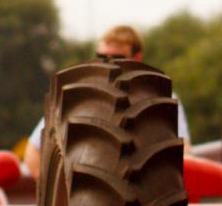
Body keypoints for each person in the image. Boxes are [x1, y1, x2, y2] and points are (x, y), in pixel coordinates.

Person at [23, 24, 189, 178]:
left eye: (117, 58)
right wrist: (60, 200)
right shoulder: (78, 97)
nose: (107, 64)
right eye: (102, 57)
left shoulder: (162, 98)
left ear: (137, 59)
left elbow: (185, 154)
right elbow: (33, 152)